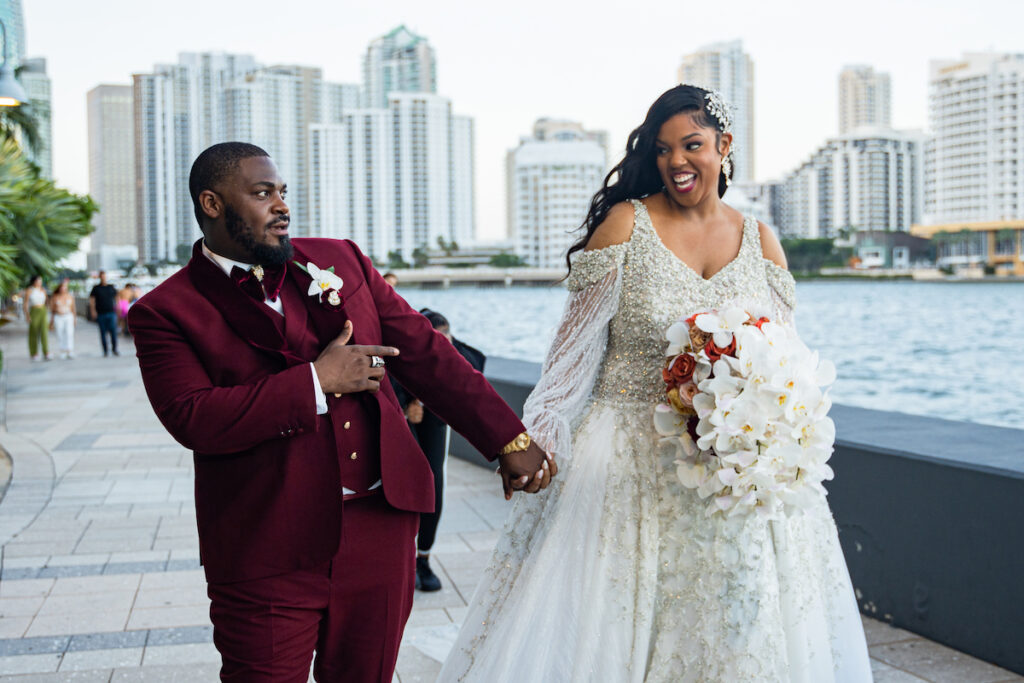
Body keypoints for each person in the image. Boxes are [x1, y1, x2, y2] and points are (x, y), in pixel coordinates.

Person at [439, 85, 872, 682]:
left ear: (723, 146)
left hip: (730, 477)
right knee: (611, 631)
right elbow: (569, 358)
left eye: (691, 145)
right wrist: (537, 436)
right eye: (663, 149)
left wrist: (777, 442)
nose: (676, 161)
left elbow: (785, 362)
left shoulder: (762, 240)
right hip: (624, 463)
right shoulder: (626, 225)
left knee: (736, 627)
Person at [127, 142, 556, 683]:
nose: (281, 206)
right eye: (262, 194)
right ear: (211, 204)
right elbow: (193, 418)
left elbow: (425, 354)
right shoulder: (165, 310)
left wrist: (508, 439)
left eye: (282, 192)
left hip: (380, 528)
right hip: (265, 546)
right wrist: (315, 380)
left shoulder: (341, 260)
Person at [391, 309, 486, 592]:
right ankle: (404, 557)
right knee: (409, 485)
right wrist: (410, 405)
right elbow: (388, 386)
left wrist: (448, 344)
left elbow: (475, 366)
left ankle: (424, 558)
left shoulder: (454, 349)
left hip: (434, 416)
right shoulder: (401, 352)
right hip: (401, 414)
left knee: (434, 483)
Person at [89, 271, 119, 356]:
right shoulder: (96, 288)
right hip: (101, 313)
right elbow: (92, 301)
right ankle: (105, 350)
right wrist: (93, 311)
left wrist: (118, 307)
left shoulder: (111, 287)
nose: (103, 278)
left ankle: (114, 349)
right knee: (103, 333)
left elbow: (117, 297)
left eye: (104, 276)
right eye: (102, 276)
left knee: (113, 332)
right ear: (100, 277)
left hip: (111, 312)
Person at [23, 276, 50, 361]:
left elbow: (47, 302)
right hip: (34, 311)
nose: (40, 282)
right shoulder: (29, 290)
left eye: (41, 281)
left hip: (42, 310)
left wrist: (47, 311)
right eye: (38, 281)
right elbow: (26, 304)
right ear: (34, 281)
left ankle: (46, 352)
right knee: (33, 332)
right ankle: (34, 353)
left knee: (44, 332)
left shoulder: (43, 290)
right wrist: (27, 315)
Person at [49, 278, 76, 359]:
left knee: (69, 333)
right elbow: (52, 309)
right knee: (60, 333)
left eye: (65, 287)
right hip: (58, 316)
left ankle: (69, 350)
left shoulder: (70, 296)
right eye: (62, 287)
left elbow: (73, 308)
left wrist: (74, 318)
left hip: (68, 316)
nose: (63, 289)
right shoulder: (55, 297)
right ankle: (62, 350)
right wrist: (52, 320)